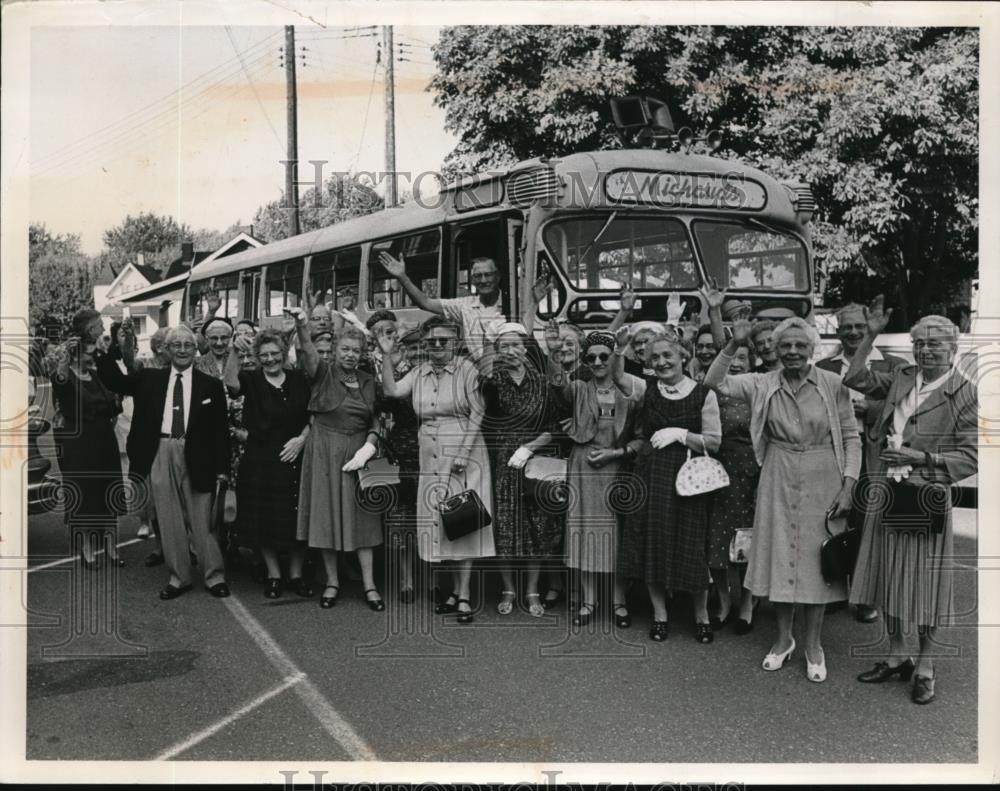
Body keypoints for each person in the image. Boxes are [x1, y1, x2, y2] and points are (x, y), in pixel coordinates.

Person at [703, 316, 860, 682]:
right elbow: (713, 382)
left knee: (815, 563)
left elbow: (851, 435)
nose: (791, 351)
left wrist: (849, 485)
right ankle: (784, 638)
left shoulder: (832, 384)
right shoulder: (762, 383)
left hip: (824, 472)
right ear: (775, 349)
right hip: (778, 470)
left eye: (799, 345)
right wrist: (732, 344)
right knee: (780, 557)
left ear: (812, 349)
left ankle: (814, 645)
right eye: (785, 345)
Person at [845, 300, 977, 705]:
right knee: (888, 575)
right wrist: (870, 334)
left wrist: (921, 458)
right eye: (920, 343)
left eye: (936, 345)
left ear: (953, 350)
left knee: (925, 583)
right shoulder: (902, 375)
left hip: (926, 493)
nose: (926, 351)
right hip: (888, 488)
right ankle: (897, 653)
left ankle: (926, 664)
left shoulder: (965, 394)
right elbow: (854, 377)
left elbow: (972, 456)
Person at [97, 323, 231, 600]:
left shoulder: (212, 386)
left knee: (202, 519)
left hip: (198, 454)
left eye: (188, 345)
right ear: (167, 350)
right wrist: (112, 348)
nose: (182, 350)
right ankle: (179, 577)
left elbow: (220, 430)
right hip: (159, 450)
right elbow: (113, 380)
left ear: (196, 350)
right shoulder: (149, 378)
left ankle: (214, 576)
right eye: (176, 345)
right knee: (168, 519)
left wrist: (222, 469)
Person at [378, 316, 496, 624]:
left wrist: (464, 451)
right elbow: (391, 391)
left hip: (462, 450)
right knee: (439, 522)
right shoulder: (419, 372)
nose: (438, 346)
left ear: (455, 342)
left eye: (444, 340)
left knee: (463, 520)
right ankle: (452, 592)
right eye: (432, 341)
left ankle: (465, 594)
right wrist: (387, 355)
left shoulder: (467, 369)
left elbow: (479, 411)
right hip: (429, 453)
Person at [613, 329, 722, 642]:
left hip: (691, 477)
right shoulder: (647, 389)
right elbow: (619, 378)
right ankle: (660, 615)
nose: (661, 362)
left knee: (691, 544)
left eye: (667, 356)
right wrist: (620, 349)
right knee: (654, 543)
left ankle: (701, 615)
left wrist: (681, 434)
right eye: (655, 357)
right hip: (653, 474)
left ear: (683, 357)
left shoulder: (704, 393)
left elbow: (714, 442)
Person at [816, 302, 906, 624]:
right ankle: (836, 590)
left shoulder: (893, 364)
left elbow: (902, 409)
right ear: (838, 331)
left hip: (874, 456)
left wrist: (870, 409)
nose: (853, 332)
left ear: (869, 328)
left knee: (869, 524)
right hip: (832, 453)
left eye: (859, 327)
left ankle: (867, 596)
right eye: (846, 328)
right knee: (835, 520)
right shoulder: (823, 365)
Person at [290, 313, 385, 611]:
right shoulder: (322, 372)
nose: (350, 355)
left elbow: (378, 420)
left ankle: (369, 585)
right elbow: (306, 349)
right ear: (335, 350)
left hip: (359, 453)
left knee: (364, 522)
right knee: (326, 518)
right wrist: (302, 325)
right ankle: (332, 582)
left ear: (362, 354)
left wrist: (369, 447)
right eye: (345, 349)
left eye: (356, 351)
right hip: (324, 451)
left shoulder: (369, 381)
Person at [553, 330, 645, 628]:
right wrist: (554, 351)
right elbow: (558, 382)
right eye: (590, 357)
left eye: (603, 356)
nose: (597, 361)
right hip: (583, 468)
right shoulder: (579, 387)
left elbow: (642, 440)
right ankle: (588, 601)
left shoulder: (630, 391)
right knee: (583, 533)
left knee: (616, 535)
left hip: (616, 468)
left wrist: (616, 454)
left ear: (613, 358)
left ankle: (619, 601)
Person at [482, 323, 564, 617]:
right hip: (503, 459)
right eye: (504, 346)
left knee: (537, 524)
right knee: (505, 525)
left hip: (534, 458)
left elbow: (556, 428)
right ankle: (507, 588)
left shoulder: (541, 381)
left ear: (526, 348)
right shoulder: (492, 380)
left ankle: (532, 589)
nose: (511, 351)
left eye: (516, 344)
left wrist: (530, 446)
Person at [224, 329, 312, 599]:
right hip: (260, 460)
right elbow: (231, 384)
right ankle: (274, 575)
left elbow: (314, 415)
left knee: (297, 519)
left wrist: (301, 440)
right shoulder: (251, 379)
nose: (271, 359)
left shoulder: (299, 379)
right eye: (264, 355)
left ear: (284, 354)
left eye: (275, 354)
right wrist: (235, 352)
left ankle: (296, 576)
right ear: (257, 357)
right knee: (264, 521)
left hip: (295, 455)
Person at [50, 336, 125, 568]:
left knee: (108, 490)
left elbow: (113, 405)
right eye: (89, 353)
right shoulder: (65, 377)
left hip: (104, 439)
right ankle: (87, 548)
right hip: (79, 442)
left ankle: (112, 547)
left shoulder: (95, 375)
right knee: (83, 491)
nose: (94, 357)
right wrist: (63, 358)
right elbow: (60, 383)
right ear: (76, 355)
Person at [704, 336, 760, 634]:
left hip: (753, 472)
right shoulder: (712, 391)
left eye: (743, 357)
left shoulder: (759, 391)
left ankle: (748, 604)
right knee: (717, 538)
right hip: (718, 473)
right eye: (732, 356)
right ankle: (724, 603)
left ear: (752, 363)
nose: (736, 362)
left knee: (749, 538)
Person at [371, 319, 423, 602]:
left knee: (433, 518)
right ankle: (406, 578)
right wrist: (389, 359)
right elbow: (383, 400)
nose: (417, 353)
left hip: (434, 455)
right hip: (403, 454)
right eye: (412, 348)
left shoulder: (443, 376)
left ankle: (436, 577)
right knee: (402, 519)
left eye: (421, 347)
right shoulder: (402, 377)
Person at [379, 252, 508, 365]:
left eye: (488, 275)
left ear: (498, 276)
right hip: (480, 373)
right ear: (472, 280)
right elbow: (426, 303)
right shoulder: (465, 305)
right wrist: (402, 277)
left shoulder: (513, 304)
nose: (483, 280)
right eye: (478, 276)